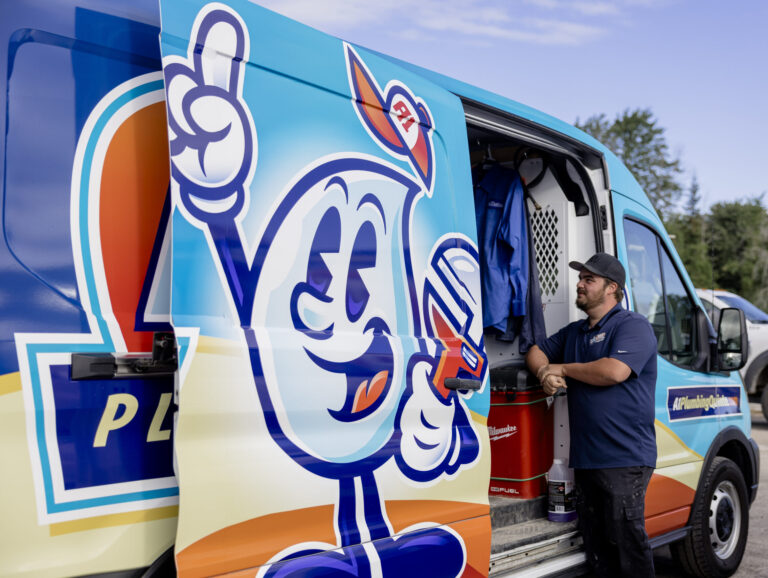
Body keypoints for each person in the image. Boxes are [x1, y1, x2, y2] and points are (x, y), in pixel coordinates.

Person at [525, 252, 657, 577]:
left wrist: (563, 369)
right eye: (580, 278)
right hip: (585, 460)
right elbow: (535, 350)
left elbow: (614, 371)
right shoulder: (575, 332)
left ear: (612, 288)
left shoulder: (632, 326)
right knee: (597, 549)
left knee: (628, 548)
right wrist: (544, 371)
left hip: (624, 460)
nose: (580, 285)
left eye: (589, 279)